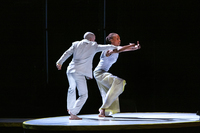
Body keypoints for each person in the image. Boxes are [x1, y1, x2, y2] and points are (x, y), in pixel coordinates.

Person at [56, 32, 119, 120]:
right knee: (83, 95)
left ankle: (70, 108)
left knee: (71, 89)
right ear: (91, 39)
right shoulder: (94, 45)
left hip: (70, 70)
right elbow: (109, 46)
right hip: (79, 73)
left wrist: (59, 62)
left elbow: (67, 53)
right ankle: (73, 113)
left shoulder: (76, 44)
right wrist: (126, 47)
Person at [93, 33, 141, 117]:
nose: (119, 40)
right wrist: (129, 46)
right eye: (117, 38)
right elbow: (117, 50)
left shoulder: (116, 48)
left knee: (109, 91)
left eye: (119, 38)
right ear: (111, 40)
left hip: (103, 73)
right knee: (119, 82)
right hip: (99, 73)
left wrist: (136, 47)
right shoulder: (108, 48)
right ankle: (103, 108)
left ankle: (104, 112)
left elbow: (124, 49)